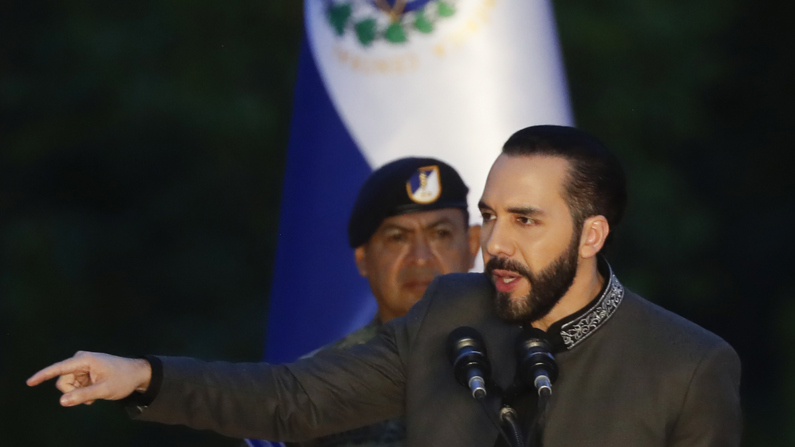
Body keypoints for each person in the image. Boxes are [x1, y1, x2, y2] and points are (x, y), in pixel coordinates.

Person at [28, 125, 742, 447]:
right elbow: (291, 401)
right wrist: (145, 375)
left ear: (591, 235)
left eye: (526, 220)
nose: (494, 243)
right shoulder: (451, 313)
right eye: (490, 217)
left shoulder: (686, 365)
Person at [282, 157, 481, 447]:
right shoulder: (312, 389)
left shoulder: (534, 368)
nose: (421, 257)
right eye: (398, 238)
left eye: (441, 234)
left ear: (472, 245)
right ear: (363, 259)